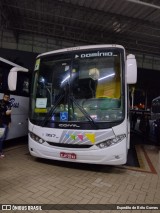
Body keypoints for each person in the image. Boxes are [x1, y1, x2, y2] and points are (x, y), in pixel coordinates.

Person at [0, 91, 12, 158]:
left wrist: (10, 122)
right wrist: (5, 113)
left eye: (8, 97)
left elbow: (10, 114)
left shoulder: (9, 104)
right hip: (1, 123)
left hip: (7, 123)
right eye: (5, 97)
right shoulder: (0, 102)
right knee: (1, 138)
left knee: (4, 137)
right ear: (3, 96)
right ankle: (0, 152)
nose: (6, 98)